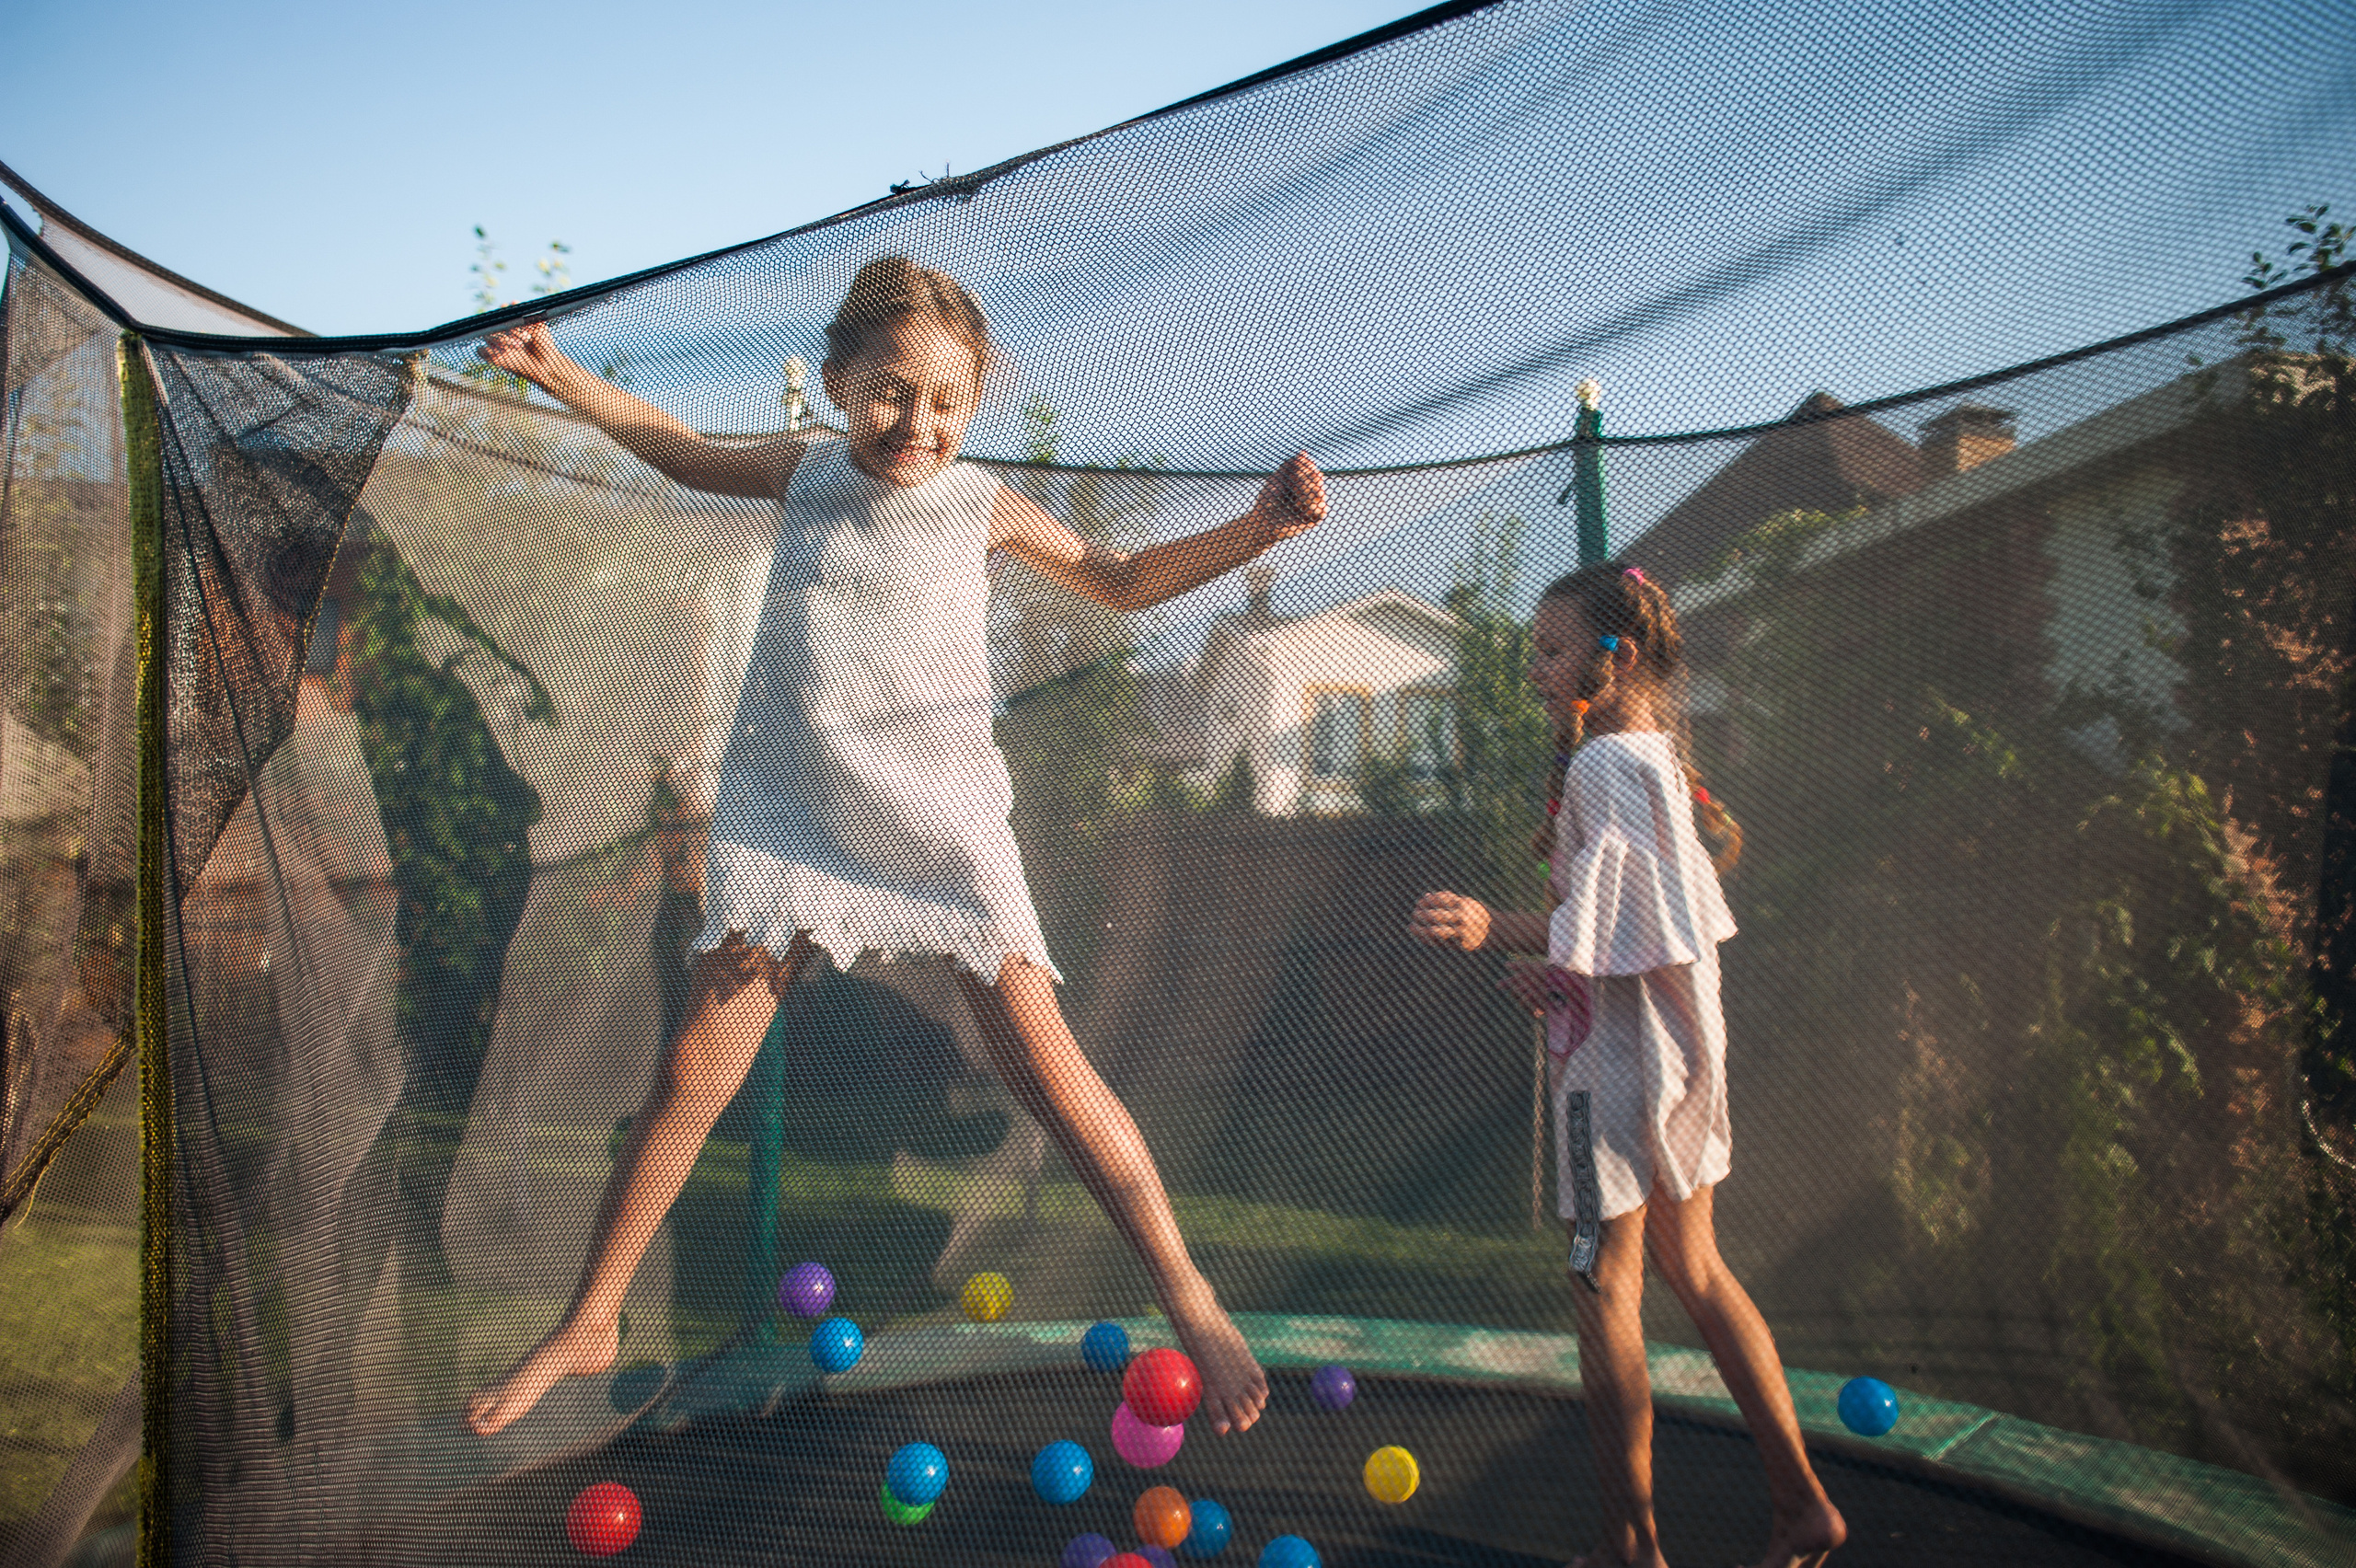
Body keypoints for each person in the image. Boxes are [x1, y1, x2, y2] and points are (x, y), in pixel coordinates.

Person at [465, 256, 1324, 1439]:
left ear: (972, 408)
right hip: (791, 815)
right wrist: (555, 369)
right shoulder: (800, 473)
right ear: (834, 382)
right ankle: (593, 1316)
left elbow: (1122, 583)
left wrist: (1262, 525)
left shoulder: (979, 503)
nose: (916, 422)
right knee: (687, 1080)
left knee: (1052, 1075)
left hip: (941, 820)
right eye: (888, 391)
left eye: (945, 401)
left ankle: (1191, 1295)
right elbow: (672, 446)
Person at [1408, 564, 1843, 1568]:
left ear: (1619, 658)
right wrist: (1558, 979)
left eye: (1551, 651)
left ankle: (1628, 1547)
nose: (1534, 670)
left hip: (1616, 1078)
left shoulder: (1606, 767)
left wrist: (1489, 928)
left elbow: (1583, 933)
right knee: (1694, 1269)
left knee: (1605, 1289)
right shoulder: (1655, 758)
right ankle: (1799, 1502)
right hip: (1676, 1052)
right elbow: (1627, 943)